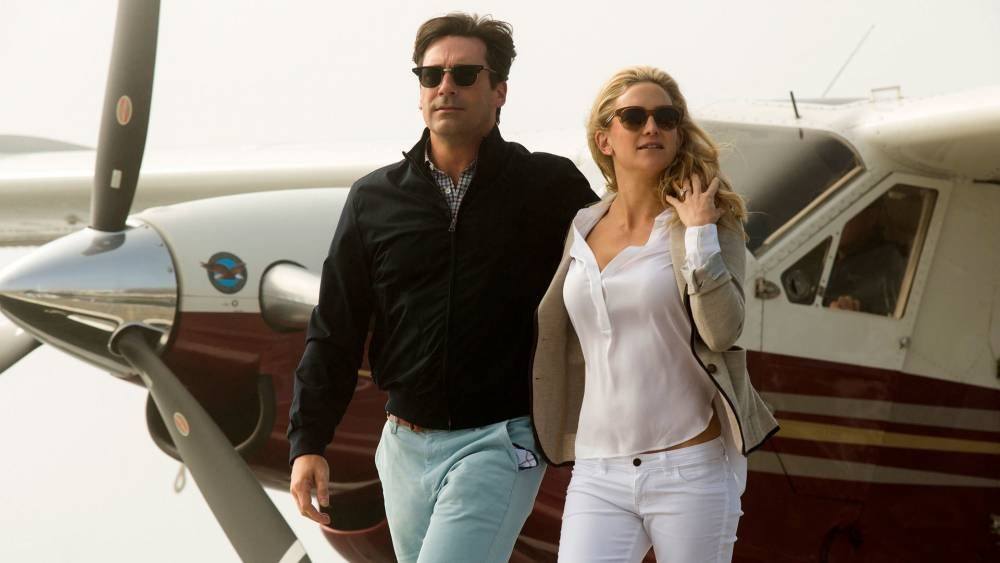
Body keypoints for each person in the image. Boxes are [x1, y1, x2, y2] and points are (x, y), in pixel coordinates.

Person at [286, 13, 597, 563]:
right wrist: (307, 442)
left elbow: (623, 271)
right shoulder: (373, 199)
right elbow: (335, 327)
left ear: (499, 90)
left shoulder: (550, 187)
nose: (445, 87)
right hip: (402, 446)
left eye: (465, 74)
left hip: (502, 438)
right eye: (431, 76)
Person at [531, 66, 779, 562]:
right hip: (598, 470)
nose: (652, 128)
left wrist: (700, 234)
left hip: (690, 467)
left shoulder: (710, 221)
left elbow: (723, 331)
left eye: (666, 118)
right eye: (634, 117)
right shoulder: (581, 226)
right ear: (604, 139)